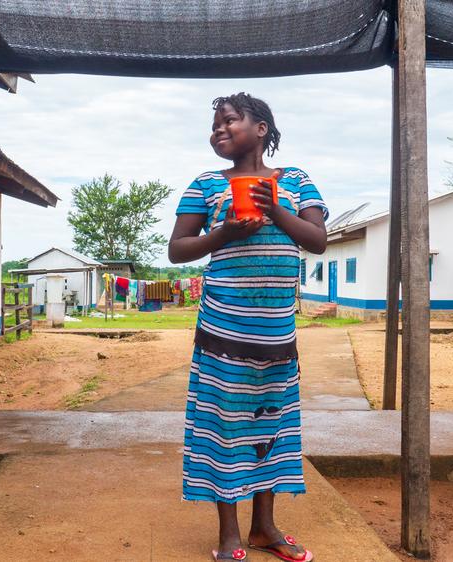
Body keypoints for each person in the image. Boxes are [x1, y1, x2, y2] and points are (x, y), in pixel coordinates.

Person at [168, 92, 327, 562]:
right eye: (214, 125)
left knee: (272, 428)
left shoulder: (296, 181)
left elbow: (317, 240)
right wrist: (224, 234)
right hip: (223, 331)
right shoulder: (206, 184)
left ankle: (265, 529)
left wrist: (274, 208)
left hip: (277, 334)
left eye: (229, 121)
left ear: (261, 128)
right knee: (224, 428)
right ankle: (230, 535)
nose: (218, 130)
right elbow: (178, 249)